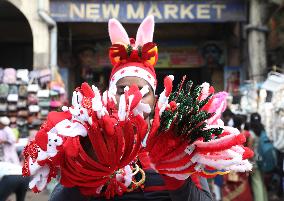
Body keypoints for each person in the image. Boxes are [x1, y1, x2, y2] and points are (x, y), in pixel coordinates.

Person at [49, 16, 213, 201]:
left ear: (156, 99)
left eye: (143, 91)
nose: (132, 98)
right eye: (122, 90)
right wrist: (92, 164)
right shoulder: (85, 138)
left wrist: (175, 169)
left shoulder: (179, 139)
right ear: (108, 97)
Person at [222, 115, 253, 201]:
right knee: (243, 186)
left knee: (230, 186)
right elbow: (250, 152)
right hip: (242, 164)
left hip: (231, 164)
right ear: (242, 123)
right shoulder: (247, 134)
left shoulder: (230, 134)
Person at [0, 116, 29, 201]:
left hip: (11, 172)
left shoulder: (8, 130)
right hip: (24, 177)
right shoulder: (3, 130)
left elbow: (13, 140)